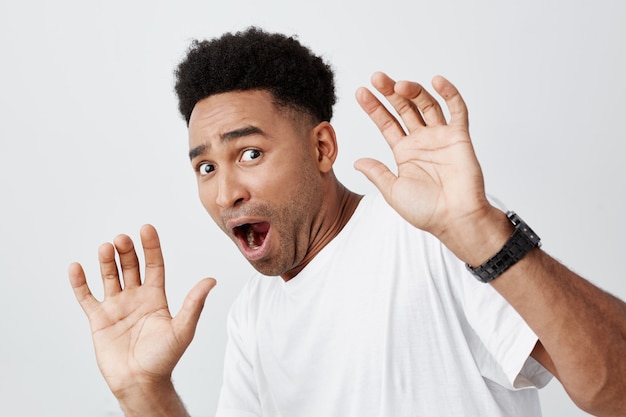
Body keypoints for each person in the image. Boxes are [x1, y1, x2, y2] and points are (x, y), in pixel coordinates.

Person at [68, 27, 626, 417]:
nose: (226, 192)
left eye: (251, 154)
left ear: (323, 147)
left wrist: (481, 232)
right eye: (206, 166)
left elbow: (617, 391)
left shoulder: (431, 236)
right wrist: (144, 391)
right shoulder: (253, 318)